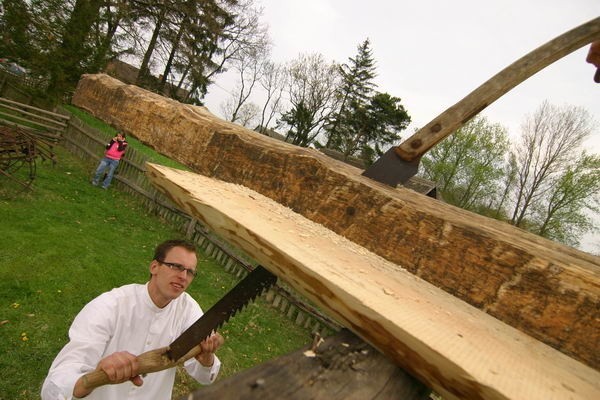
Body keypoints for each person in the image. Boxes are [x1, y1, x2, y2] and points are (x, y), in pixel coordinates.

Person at [41, 239, 224, 400]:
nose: (183, 276)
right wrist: (90, 379)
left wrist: (206, 356)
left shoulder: (188, 311)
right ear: (154, 267)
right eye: (176, 266)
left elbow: (205, 376)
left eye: (190, 272)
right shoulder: (111, 305)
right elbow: (57, 383)